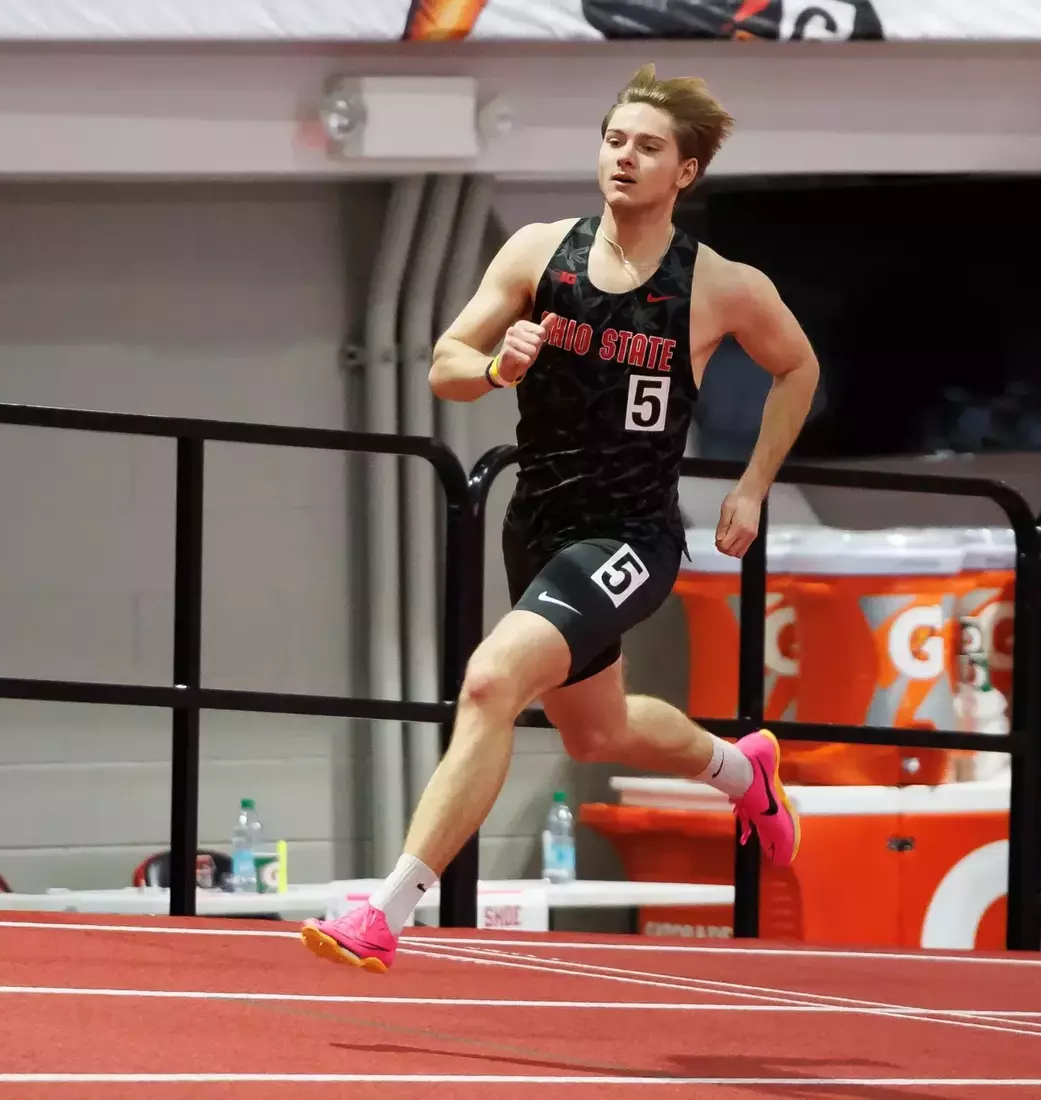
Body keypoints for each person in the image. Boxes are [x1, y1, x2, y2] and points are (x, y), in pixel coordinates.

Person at [300, 64, 820, 972]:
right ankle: (745, 772)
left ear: (684, 173)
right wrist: (499, 366)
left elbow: (798, 367)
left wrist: (752, 484)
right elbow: (444, 364)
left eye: (648, 146)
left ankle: (387, 911)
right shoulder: (540, 252)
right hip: (537, 526)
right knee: (595, 732)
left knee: (493, 681)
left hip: (629, 538)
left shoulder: (720, 286)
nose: (624, 157)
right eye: (614, 139)